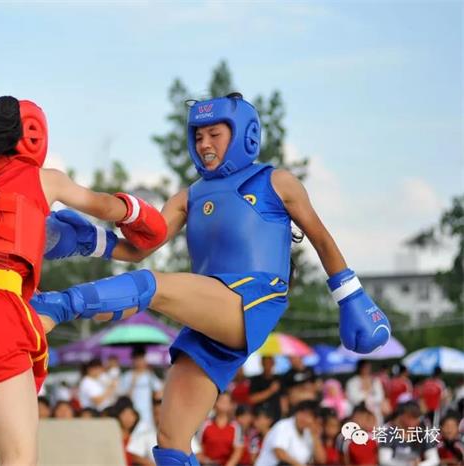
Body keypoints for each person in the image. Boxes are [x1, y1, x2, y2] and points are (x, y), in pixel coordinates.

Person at [34, 92, 391, 466]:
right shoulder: (189, 196)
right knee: (171, 443)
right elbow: (139, 247)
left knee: (152, 285)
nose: (204, 144)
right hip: (210, 313)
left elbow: (320, 237)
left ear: (244, 135)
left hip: (251, 298)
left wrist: (351, 298)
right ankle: (54, 308)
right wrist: (88, 241)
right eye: (198, 135)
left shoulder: (275, 181)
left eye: (214, 134)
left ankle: (55, 308)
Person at [0, 96, 167, 466]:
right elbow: (102, 205)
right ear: (31, 137)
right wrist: (138, 212)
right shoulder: (44, 179)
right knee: (18, 456)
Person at [255, 400, 326, 466]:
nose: (303, 418)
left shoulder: (308, 432)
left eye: (308, 416)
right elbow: (280, 453)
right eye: (302, 413)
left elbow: (321, 460)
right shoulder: (283, 425)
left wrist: (315, 436)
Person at [378, 401, 439, 466]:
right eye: (410, 417)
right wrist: (408, 464)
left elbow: (434, 459)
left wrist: (420, 465)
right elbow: (384, 461)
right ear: (401, 416)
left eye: (416, 417)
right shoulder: (389, 434)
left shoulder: (422, 434)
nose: (414, 420)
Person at [118, 346, 163, 428]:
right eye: (137, 359)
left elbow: (159, 394)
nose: (139, 362)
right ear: (132, 360)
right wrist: (133, 383)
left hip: (148, 417)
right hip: (132, 418)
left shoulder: (150, 376)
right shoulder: (127, 376)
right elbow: (124, 398)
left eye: (141, 359)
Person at [197, 392, 244, 466]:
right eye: (221, 400)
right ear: (215, 403)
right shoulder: (205, 424)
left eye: (226, 401)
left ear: (231, 405)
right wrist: (206, 461)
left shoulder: (236, 427)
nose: (223, 403)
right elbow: (197, 447)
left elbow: (238, 451)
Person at [346, 360, 387, 424]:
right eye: (364, 367)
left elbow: (380, 397)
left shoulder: (375, 381)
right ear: (360, 368)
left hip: (375, 413)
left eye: (368, 367)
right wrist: (366, 393)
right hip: (359, 413)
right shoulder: (352, 382)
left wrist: (368, 397)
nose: (366, 369)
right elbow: (353, 398)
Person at [249, 357, 284, 421]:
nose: (268, 365)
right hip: (260, 416)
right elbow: (252, 399)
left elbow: (283, 398)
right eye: (265, 363)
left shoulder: (279, 379)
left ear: (273, 363)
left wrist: (284, 414)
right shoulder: (255, 380)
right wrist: (271, 390)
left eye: (269, 363)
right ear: (262, 363)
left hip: (276, 415)